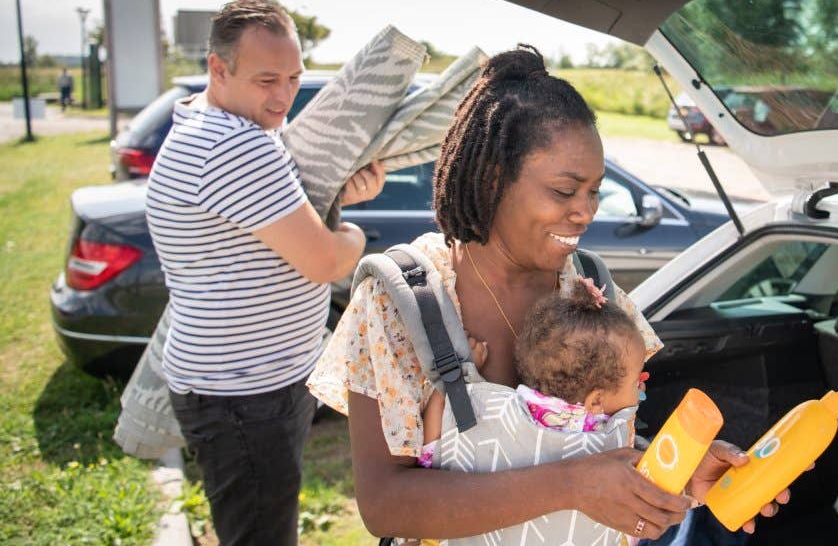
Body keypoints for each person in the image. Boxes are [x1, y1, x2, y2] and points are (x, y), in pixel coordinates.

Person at [308, 45, 792, 544]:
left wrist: (678, 471)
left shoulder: (590, 287)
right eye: (565, 191)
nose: (585, 212)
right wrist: (571, 487)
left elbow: (599, 440)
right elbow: (385, 504)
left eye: (594, 192)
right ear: (494, 179)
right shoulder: (401, 300)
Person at [144, 0, 387, 546]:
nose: (284, 97)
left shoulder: (213, 125)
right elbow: (325, 259)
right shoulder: (236, 147)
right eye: (266, 80)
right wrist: (355, 236)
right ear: (217, 68)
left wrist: (343, 201)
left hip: (241, 386)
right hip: (246, 395)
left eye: (294, 78)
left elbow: (272, 234)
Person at [419, 275, 647, 470]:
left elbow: (432, 450)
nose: (642, 386)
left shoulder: (494, 412)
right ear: (596, 401)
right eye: (637, 381)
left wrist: (458, 376)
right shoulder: (608, 431)